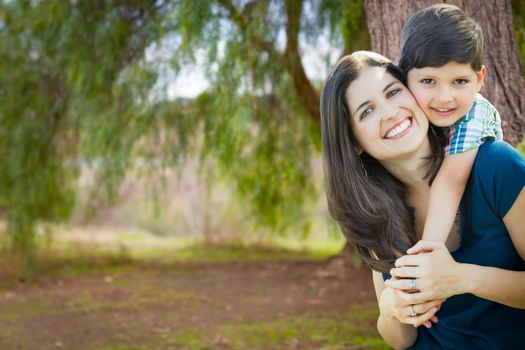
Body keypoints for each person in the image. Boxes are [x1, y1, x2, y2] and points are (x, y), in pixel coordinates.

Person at [320, 50, 525, 349]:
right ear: (353, 143)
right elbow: (402, 339)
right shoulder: (374, 212)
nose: (390, 112)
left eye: (393, 92)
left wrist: (462, 278)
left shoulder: (495, 166)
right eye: (367, 111)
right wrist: (392, 308)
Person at [399, 4, 503, 246]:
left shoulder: (476, 112)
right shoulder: (411, 114)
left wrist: (429, 251)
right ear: (405, 78)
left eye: (459, 81)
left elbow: (450, 182)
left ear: (479, 80)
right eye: (428, 81)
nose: (445, 97)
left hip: (486, 226)